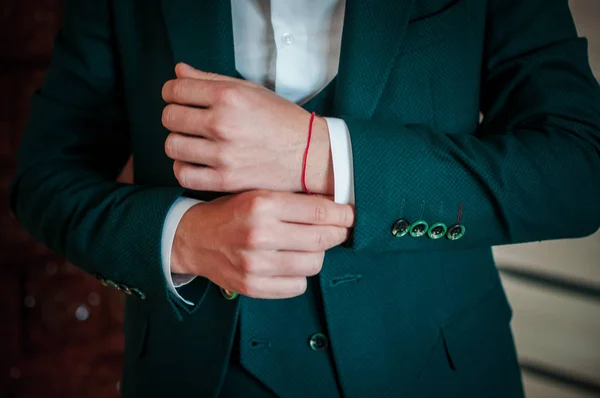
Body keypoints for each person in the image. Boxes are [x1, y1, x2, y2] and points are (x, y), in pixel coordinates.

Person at [10, 0, 600, 397]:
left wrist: (317, 154)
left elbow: (579, 166)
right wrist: (182, 239)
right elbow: (44, 174)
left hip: (436, 370)